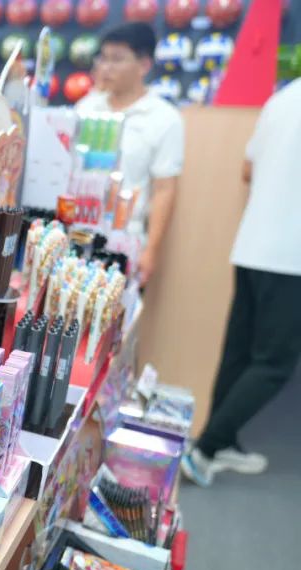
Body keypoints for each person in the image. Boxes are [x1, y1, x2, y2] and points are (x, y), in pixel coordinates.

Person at [181, 78, 301, 488]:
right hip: (290, 256)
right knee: (273, 362)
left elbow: (248, 167)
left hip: (253, 244)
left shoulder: (282, 98)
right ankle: (206, 449)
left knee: (240, 352)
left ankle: (222, 441)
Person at [76, 22, 183, 286]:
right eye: (103, 58)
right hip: (77, 232)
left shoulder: (164, 118)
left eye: (117, 59)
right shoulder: (86, 107)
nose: (106, 67)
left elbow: (164, 189)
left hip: (125, 240)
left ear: (144, 65)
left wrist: (151, 251)